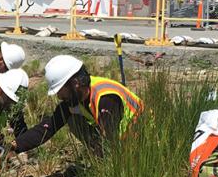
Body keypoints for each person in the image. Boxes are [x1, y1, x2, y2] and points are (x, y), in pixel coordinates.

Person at [12, 55, 142, 156]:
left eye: (60, 91)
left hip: (139, 139)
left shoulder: (105, 98)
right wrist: (14, 146)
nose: (59, 97)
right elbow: (47, 127)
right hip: (116, 138)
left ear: (74, 83)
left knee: (107, 146)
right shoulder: (75, 98)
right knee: (73, 118)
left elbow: (110, 138)